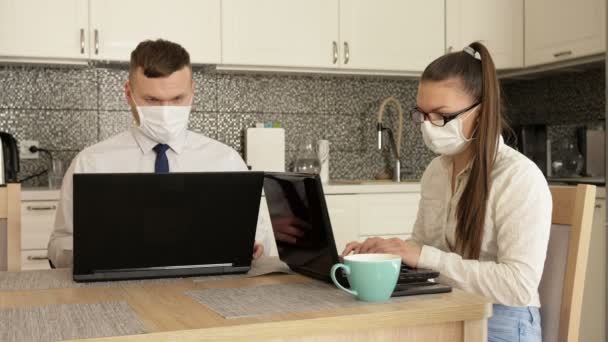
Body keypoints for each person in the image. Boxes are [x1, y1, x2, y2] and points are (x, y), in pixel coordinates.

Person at [342, 42, 551, 342]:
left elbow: (517, 286)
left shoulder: (518, 177)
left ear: (480, 112)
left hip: (504, 318)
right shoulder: (436, 173)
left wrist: (421, 255)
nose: (429, 127)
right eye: (422, 115)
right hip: (448, 309)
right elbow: (421, 248)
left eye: (441, 116)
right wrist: (384, 255)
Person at [48, 39, 271, 268]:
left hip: (208, 290)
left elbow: (259, 235)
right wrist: (89, 254)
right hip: (118, 292)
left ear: (193, 92)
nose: (166, 111)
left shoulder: (226, 161)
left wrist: (256, 245)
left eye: (177, 99)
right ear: (128, 93)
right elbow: (59, 244)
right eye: (152, 100)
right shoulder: (90, 163)